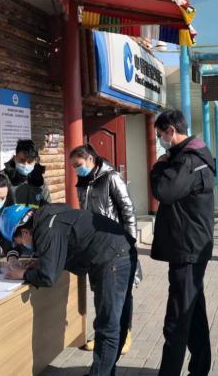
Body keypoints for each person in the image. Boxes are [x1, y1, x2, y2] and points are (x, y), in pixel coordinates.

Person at [0, 204, 136, 376]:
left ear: (25, 232)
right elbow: (64, 245)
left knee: (108, 325)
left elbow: (48, 277)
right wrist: (42, 262)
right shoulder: (50, 216)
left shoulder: (47, 229)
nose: (22, 245)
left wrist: (23, 274)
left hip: (112, 258)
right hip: (121, 250)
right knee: (117, 321)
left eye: (19, 242)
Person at [150, 109, 215, 376]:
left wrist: (159, 165)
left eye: (160, 135)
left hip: (187, 248)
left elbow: (163, 191)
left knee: (176, 319)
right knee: (194, 312)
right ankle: (200, 368)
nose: (160, 141)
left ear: (171, 131)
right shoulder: (193, 157)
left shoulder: (188, 161)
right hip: (191, 246)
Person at [70, 144, 137, 354]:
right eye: (73, 166)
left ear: (90, 159)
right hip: (95, 246)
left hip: (117, 245)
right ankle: (102, 335)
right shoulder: (82, 182)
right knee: (100, 293)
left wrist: (130, 242)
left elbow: (128, 210)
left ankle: (125, 334)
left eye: (78, 164)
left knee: (122, 293)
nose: (76, 169)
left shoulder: (111, 177)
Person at [2, 139, 51, 207]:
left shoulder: (39, 180)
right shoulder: (3, 178)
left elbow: (47, 206)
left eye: (30, 161)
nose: (25, 164)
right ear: (14, 158)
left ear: (35, 161)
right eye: (22, 160)